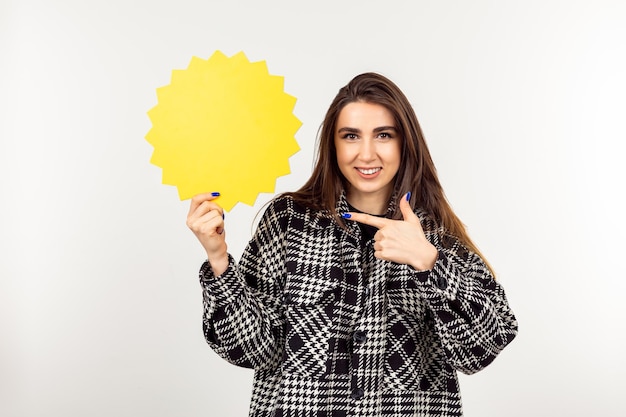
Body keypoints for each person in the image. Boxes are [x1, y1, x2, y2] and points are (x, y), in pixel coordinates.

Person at [186, 72, 518, 417]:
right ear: (334, 144)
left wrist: (430, 263)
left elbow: (482, 348)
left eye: (384, 135)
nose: (366, 153)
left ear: (405, 143)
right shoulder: (289, 221)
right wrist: (219, 259)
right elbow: (252, 350)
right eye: (351, 136)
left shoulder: (435, 236)